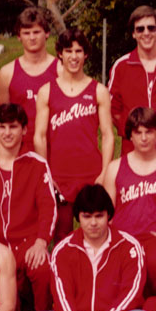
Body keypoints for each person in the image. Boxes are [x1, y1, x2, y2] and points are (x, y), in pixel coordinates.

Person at [24, 185, 151, 311]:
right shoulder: (63, 249)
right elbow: (62, 297)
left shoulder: (130, 246)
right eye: (87, 216)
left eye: (99, 216)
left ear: (109, 216)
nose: (93, 223)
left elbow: (131, 295)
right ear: (78, 218)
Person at [0, 104, 56, 311]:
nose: (7, 133)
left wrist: (41, 242)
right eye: (1, 127)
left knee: (42, 268)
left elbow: (47, 207)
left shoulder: (37, 164)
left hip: (26, 244)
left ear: (24, 130)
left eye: (13, 127)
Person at [34, 27, 115, 241]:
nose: (73, 56)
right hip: (59, 175)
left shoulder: (98, 90)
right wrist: (46, 173)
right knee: (62, 235)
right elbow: (40, 136)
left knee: (96, 233)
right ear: (60, 53)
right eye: (68, 51)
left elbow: (108, 135)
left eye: (78, 51)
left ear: (86, 54)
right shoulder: (47, 91)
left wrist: (104, 171)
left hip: (91, 174)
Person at [103, 107, 156, 297]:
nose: (143, 138)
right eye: (138, 132)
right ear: (130, 136)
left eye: (149, 132)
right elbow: (105, 214)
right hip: (124, 238)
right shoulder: (114, 168)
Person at [108, 5, 156, 154]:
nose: (146, 33)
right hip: (132, 149)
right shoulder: (121, 66)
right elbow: (112, 109)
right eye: (140, 29)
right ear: (133, 34)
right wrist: (132, 133)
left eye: (151, 28)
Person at [0, 7, 59, 148]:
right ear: (19, 36)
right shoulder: (7, 73)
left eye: (36, 32)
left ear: (47, 33)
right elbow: (3, 120)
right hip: (21, 149)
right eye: (26, 33)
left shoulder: (61, 69)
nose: (32, 37)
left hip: (56, 147)